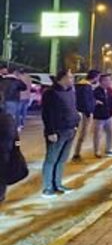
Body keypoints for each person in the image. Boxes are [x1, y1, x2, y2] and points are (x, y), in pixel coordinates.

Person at [41, 69, 79, 197]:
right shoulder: (50, 93)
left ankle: (58, 184)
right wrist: (51, 131)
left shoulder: (70, 92)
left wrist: (75, 125)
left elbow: (74, 109)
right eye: (70, 77)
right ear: (62, 78)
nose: (72, 80)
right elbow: (47, 114)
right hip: (57, 131)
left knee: (62, 160)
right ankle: (47, 187)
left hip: (70, 130)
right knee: (51, 159)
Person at [72, 70, 99, 161]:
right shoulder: (86, 87)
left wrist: (94, 101)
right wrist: (88, 112)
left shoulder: (80, 85)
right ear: (95, 77)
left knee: (80, 134)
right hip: (85, 113)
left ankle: (76, 153)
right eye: (98, 77)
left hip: (79, 111)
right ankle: (76, 154)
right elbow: (85, 100)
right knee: (83, 134)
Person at [92, 74, 112, 157]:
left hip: (109, 116)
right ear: (101, 81)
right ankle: (97, 151)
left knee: (110, 133)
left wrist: (111, 113)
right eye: (106, 80)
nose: (109, 82)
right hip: (99, 118)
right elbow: (92, 102)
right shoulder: (96, 91)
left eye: (109, 80)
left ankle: (109, 149)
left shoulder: (110, 91)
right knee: (97, 134)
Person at [0, 107, 17, 209]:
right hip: (5, 151)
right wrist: (16, 148)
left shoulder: (6, 118)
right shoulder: (7, 117)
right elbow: (16, 137)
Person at [0, 65, 27, 129]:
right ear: (14, 72)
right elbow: (24, 87)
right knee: (11, 117)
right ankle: (12, 130)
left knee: (3, 116)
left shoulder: (2, 80)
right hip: (13, 100)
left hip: (2, 100)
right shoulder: (16, 81)